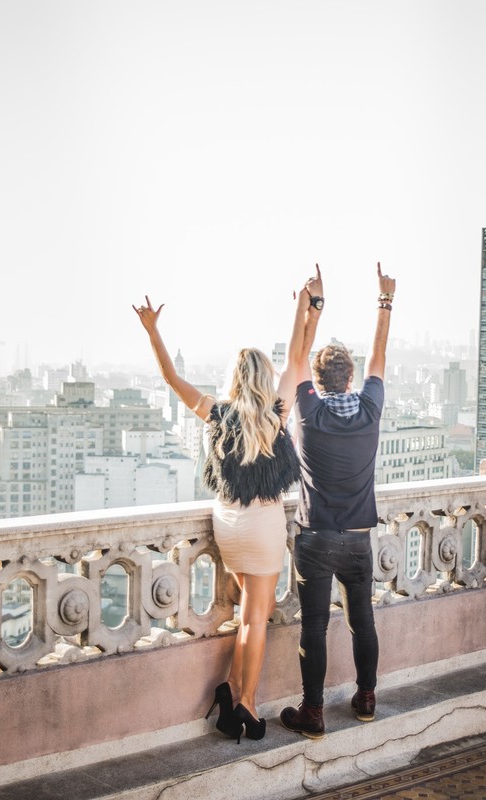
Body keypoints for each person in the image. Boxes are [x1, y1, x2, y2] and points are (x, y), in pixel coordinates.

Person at [133, 284, 315, 743]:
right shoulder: (274, 412)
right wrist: (303, 308)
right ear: (263, 376)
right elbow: (298, 356)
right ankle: (246, 704)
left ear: (235, 377)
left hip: (226, 523)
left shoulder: (218, 412)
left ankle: (231, 688)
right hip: (262, 522)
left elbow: (172, 381)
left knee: (253, 609)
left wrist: (153, 331)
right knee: (257, 616)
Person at [280, 262, 396, 739]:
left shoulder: (308, 414)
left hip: (316, 536)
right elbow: (379, 358)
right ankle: (366, 698)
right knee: (361, 620)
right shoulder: (369, 410)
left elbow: (296, 358)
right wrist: (385, 302)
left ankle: (313, 712)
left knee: (314, 626)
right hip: (358, 539)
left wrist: (311, 307)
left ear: (320, 381)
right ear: (350, 379)